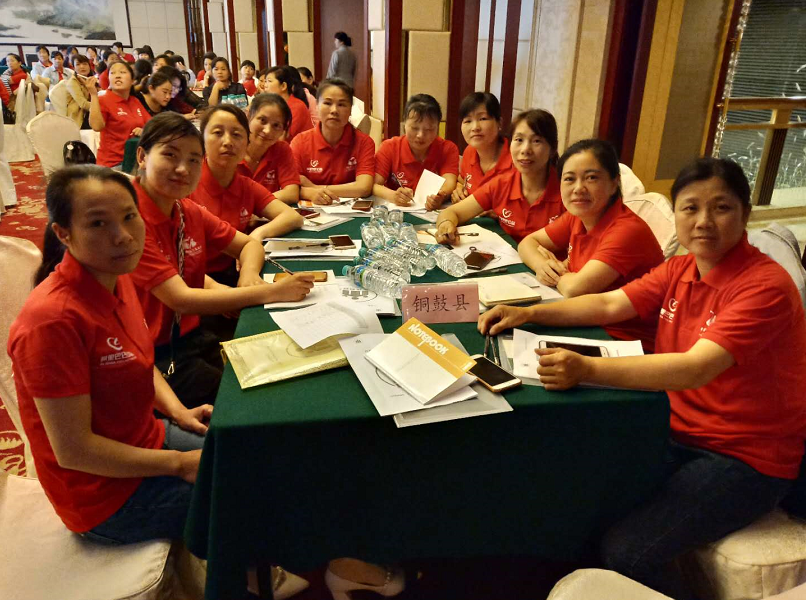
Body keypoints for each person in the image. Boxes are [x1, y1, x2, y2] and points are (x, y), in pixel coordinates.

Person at [478, 157, 806, 600]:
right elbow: (610, 304)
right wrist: (529, 313)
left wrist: (587, 368)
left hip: (744, 458)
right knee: (568, 483)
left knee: (627, 552)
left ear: (745, 213)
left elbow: (694, 367)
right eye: (690, 208)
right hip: (672, 425)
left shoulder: (765, 286)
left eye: (721, 208)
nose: (704, 221)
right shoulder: (682, 268)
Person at [7, 165, 210, 545]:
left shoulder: (117, 277)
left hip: (145, 440)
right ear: (63, 234)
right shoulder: (51, 323)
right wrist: (179, 464)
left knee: (249, 455)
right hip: (103, 499)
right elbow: (75, 451)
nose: (123, 236)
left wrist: (177, 410)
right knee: (243, 494)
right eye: (98, 224)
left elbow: (137, 360)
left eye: (129, 216)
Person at [128, 112, 314, 407]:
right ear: (142, 156)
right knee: (252, 403)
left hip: (191, 334)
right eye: (170, 155)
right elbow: (181, 299)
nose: (183, 168)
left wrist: (247, 277)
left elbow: (248, 245)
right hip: (152, 354)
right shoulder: (128, 219)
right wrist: (271, 292)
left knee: (281, 370)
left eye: (192, 159)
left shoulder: (185, 210)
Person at [519, 139, 664, 350]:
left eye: (591, 178)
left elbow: (575, 290)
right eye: (569, 179)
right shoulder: (577, 216)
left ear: (614, 183)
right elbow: (527, 243)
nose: (579, 188)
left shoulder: (627, 231)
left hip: (622, 340)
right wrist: (543, 266)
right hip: (585, 319)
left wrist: (560, 273)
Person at [191, 104, 303, 287]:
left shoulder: (246, 186)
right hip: (191, 281)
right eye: (218, 133)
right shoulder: (186, 185)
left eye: (236, 135)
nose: (228, 142)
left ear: (246, 145)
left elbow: (293, 217)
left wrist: (258, 234)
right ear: (201, 140)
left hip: (231, 272)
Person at [435, 108, 563, 243]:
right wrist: (446, 225)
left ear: (552, 148)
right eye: (519, 140)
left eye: (536, 141)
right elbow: (451, 212)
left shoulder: (567, 192)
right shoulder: (502, 184)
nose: (525, 150)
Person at [290, 78, 375, 204]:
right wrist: (309, 193)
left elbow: (364, 188)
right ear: (317, 106)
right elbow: (291, 186)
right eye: (328, 103)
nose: (334, 110)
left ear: (350, 110)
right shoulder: (300, 142)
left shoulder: (364, 142)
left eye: (341, 104)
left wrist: (315, 188)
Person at [373, 93, 458, 209]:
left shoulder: (447, 149)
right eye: (414, 128)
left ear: (438, 127)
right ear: (404, 124)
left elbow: (449, 183)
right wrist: (393, 195)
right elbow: (374, 184)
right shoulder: (389, 147)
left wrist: (439, 197)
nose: (420, 135)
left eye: (429, 129)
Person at [452, 92, 514, 204]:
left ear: (499, 123)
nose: (475, 127)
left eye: (483, 119)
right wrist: (459, 189)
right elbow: (462, 180)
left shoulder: (516, 156)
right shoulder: (469, 151)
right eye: (468, 121)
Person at [239, 93, 301, 204]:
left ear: (283, 131)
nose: (267, 130)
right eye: (262, 120)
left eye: (276, 125)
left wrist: (254, 204)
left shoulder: (281, 150)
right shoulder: (232, 148)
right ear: (248, 116)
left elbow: (291, 193)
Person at [87, 61, 150, 168]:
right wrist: (93, 94)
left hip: (134, 161)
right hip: (113, 164)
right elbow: (96, 126)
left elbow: (151, 125)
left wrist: (143, 131)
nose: (117, 76)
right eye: (113, 73)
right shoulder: (103, 100)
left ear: (132, 80)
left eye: (122, 72)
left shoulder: (134, 101)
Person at [263, 65, 313, 141]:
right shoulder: (274, 105)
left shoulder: (297, 106)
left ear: (283, 86)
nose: (265, 86)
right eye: (265, 81)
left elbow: (282, 137)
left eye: (269, 81)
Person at [65, 55, 93, 129]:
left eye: (85, 64)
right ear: (74, 68)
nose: (82, 67)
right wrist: (100, 107)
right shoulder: (72, 82)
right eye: (78, 64)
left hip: (89, 113)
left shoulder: (89, 79)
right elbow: (83, 104)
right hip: (79, 117)